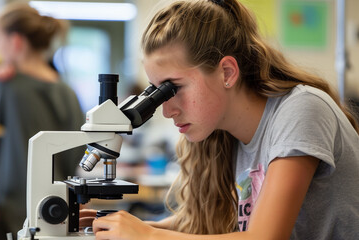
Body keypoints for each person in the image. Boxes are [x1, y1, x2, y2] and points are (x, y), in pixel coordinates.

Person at [80, 0, 359, 239]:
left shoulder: (302, 109)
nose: (167, 110)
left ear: (226, 72)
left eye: (172, 88)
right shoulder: (224, 133)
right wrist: (127, 228)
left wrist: (149, 235)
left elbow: (264, 237)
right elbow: (201, 222)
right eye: (157, 92)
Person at [0, 3, 84, 237]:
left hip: (18, 203)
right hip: (59, 205)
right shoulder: (67, 91)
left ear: (16, 42)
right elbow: (77, 151)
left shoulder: (9, 86)